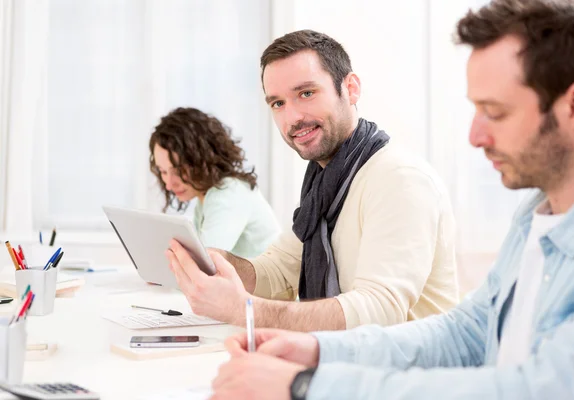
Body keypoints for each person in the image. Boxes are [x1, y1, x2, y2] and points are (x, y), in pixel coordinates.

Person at [208, 0, 574, 398]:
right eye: (278, 103)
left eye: (495, 112)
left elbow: (552, 387)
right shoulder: (533, 214)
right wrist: (318, 350)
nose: (475, 136)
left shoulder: (399, 178)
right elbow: (468, 332)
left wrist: (307, 384)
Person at [166, 30, 458, 332]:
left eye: (306, 93)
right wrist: (216, 261)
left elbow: (379, 310)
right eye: (278, 103)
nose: (292, 117)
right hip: (348, 363)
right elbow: (278, 272)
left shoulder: (398, 180)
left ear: (351, 89)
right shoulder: (325, 181)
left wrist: (247, 311)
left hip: (404, 374)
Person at [150, 107, 280, 259]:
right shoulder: (204, 199)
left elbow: (205, 263)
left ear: (203, 160)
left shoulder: (229, 194)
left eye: (179, 171)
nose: (169, 185)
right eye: (163, 172)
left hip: (275, 282)